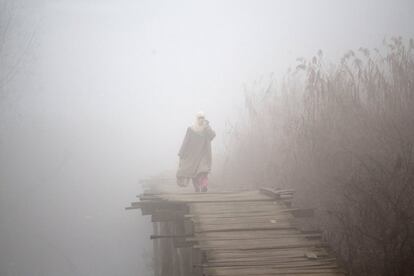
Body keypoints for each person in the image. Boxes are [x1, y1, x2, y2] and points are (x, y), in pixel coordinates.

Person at [176, 111, 215, 192]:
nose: (201, 120)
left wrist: (207, 126)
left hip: (204, 154)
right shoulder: (191, 129)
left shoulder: (206, 128)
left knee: (203, 171)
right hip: (192, 155)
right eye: (199, 118)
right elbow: (186, 141)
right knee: (193, 173)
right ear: (197, 119)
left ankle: (204, 186)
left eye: (203, 118)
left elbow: (212, 135)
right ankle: (197, 187)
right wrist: (181, 153)